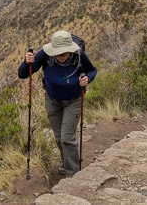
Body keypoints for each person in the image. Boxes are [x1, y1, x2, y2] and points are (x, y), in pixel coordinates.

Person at [18, 30, 97, 178]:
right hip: (52, 100)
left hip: (73, 100)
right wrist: (26, 62)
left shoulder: (79, 55)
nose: (60, 57)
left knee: (67, 137)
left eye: (63, 54)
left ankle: (73, 175)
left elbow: (92, 71)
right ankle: (66, 162)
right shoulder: (45, 54)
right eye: (57, 53)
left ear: (70, 50)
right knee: (59, 137)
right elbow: (23, 74)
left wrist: (88, 79)